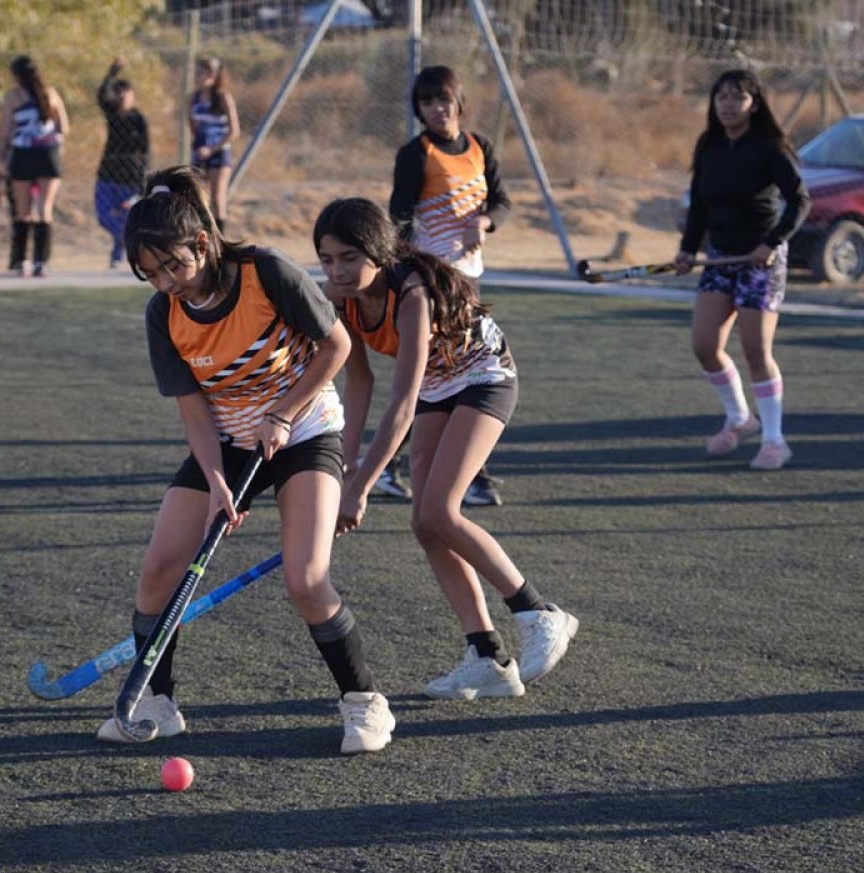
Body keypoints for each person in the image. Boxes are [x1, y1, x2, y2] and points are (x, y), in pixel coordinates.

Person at [98, 166, 393, 755]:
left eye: (173, 266)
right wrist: (214, 483)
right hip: (229, 441)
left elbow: (335, 346)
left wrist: (283, 411)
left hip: (306, 431)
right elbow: (193, 412)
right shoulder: (165, 315)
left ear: (202, 245)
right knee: (160, 569)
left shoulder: (266, 272)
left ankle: (364, 702)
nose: (166, 282)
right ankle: (156, 701)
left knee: (305, 578)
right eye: (150, 273)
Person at [315, 197, 578, 701]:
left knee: (440, 508)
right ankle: (488, 657)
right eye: (328, 259)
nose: (338, 271)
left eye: (349, 257)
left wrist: (364, 487)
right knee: (425, 521)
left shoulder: (410, 292)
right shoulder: (342, 298)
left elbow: (402, 399)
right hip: (439, 385)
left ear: (378, 252)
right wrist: (345, 467)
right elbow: (359, 381)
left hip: (484, 377)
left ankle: (538, 611)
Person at [676, 68, 811, 471]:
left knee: (755, 349)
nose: (729, 105)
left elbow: (800, 201)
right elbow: (700, 205)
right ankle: (739, 418)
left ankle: (774, 440)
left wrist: (771, 244)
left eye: (738, 97)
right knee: (705, 345)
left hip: (760, 261)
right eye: (722, 98)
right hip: (720, 256)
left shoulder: (769, 147)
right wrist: (686, 249)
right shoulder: (709, 145)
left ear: (754, 103)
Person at [389, 64, 511, 507]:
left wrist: (486, 220)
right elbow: (399, 217)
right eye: (426, 102)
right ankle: (462, 474)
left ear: (459, 102)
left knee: (456, 370)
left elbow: (501, 200)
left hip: (468, 279)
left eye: (443, 100)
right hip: (432, 280)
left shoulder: (480, 146)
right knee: (440, 371)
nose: (437, 109)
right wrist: (405, 275)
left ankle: (402, 465)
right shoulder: (416, 152)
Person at [0, 55, 68, 278]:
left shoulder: (12, 96)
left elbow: (6, 130)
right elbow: (64, 127)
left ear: (17, 76)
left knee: (23, 210)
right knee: (44, 209)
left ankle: (21, 261)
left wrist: (2, 154)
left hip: (23, 154)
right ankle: (42, 262)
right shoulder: (50, 92)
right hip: (48, 155)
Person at [95, 57, 149, 268]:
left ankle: (118, 256)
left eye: (125, 92)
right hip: (107, 175)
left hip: (130, 178)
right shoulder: (112, 114)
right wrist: (112, 72)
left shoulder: (138, 119)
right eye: (118, 92)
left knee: (128, 218)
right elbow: (101, 96)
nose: (121, 96)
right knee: (104, 216)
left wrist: (144, 177)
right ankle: (129, 242)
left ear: (132, 96)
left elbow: (145, 150)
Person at [189, 58, 239, 235]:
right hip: (199, 154)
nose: (198, 77)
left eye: (202, 73)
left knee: (218, 199)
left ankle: (220, 241)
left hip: (219, 154)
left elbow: (234, 131)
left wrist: (211, 148)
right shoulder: (194, 99)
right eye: (197, 73)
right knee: (200, 198)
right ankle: (205, 237)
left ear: (214, 75)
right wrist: (200, 147)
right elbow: (194, 126)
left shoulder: (222, 97)